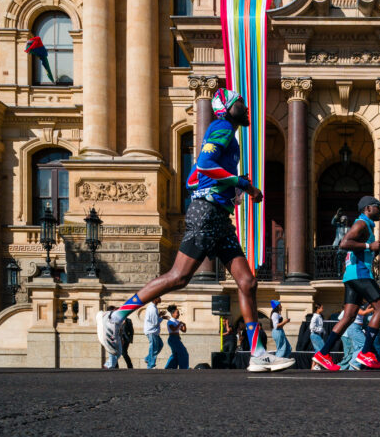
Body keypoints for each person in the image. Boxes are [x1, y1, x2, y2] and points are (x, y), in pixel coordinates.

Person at [95, 88, 293, 373]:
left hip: (219, 218)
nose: (245, 106)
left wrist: (231, 186)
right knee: (179, 276)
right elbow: (204, 165)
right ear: (227, 107)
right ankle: (115, 317)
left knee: (248, 282)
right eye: (240, 102)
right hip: (207, 215)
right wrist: (243, 184)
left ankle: (258, 353)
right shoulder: (222, 127)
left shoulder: (225, 133)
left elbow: (192, 179)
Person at [311, 196, 380, 371]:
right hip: (360, 274)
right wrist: (370, 246)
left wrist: (377, 248)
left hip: (351, 276)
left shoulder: (366, 226)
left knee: (348, 317)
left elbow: (362, 251)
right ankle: (366, 352)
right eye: (378, 207)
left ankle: (323, 353)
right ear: (368, 208)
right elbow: (344, 243)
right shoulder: (361, 223)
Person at [143, 297, 166, 369]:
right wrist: (163, 318)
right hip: (152, 331)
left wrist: (159, 315)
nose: (160, 298)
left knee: (160, 345)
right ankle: (151, 365)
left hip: (154, 331)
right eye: (158, 297)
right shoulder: (152, 308)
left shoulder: (153, 307)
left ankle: (148, 358)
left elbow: (154, 319)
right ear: (155, 299)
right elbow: (155, 322)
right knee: (154, 348)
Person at [164, 304, 189, 369]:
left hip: (177, 339)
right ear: (173, 314)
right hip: (173, 339)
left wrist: (184, 325)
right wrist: (179, 324)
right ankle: (183, 367)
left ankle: (169, 367)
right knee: (183, 352)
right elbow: (173, 329)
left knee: (175, 354)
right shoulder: (170, 321)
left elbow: (184, 330)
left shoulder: (177, 321)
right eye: (177, 313)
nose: (179, 314)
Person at [102, 305, 120, 370]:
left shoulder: (111, 316)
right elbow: (113, 326)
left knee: (119, 352)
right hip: (111, 335)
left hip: (116, 336)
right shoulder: (109, 316)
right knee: (112, 351)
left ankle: (108, 365)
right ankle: (111, 366)